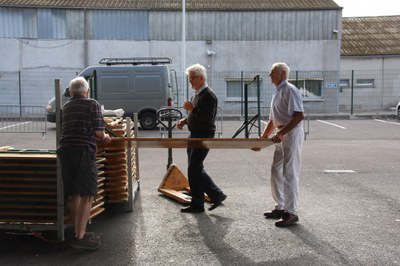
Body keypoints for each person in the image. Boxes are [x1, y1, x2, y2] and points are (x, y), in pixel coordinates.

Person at [58, 76, 111, 249]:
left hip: (65, 151)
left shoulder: (66, 106)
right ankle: (80, 238)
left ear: (72, 92)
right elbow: (98, 133)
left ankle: (76, 233)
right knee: (87, 193)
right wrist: (106, 137)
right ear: (87, 91)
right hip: (83, 151)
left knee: (74, 194)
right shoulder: (92, 104)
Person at [255, 62, 304, 227]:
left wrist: (282, 132)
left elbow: (299, 116)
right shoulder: (277, 91)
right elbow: (272, 119)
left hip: (291, 134)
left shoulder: (290, 90)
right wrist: (263, 139)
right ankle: (280, 207)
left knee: (290, 172)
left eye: (272, 72)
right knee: (276, 170)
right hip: (280, 135)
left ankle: (291, 212)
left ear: (282, 74)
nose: (269, 75)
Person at [176, 63, 226, 213]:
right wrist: (185, 120)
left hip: (203, 135)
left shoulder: (208, 95)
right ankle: (201, 201)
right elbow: (196, 114)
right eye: (189, 78)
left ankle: (214, 195)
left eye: (192, 78)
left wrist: (192, 109)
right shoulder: (197, 94)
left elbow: (207, 118)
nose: (190, 81)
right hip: (196, 135)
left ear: (202, 78)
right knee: (195, 168)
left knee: (194, 168)